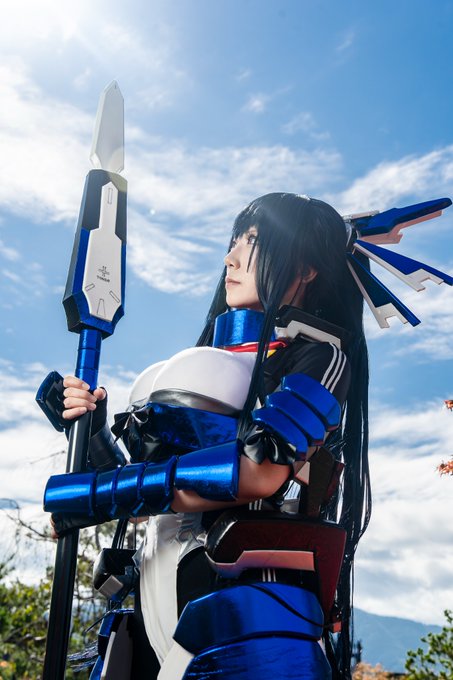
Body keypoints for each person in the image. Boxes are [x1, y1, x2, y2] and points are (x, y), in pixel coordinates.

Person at [51, 193, 371, 679]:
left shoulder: (320, 357)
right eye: (233, 241)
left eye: (253, 241)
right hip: (154, 590)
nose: (230, 258)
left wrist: (90, 498)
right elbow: (147, 494)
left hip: (246, 603)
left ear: (306, 268)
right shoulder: (207, 361)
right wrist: (90, 430)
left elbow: (258, 471)